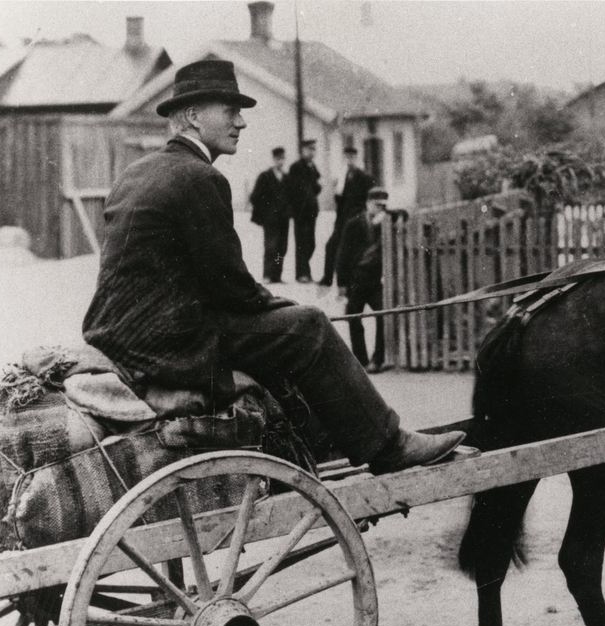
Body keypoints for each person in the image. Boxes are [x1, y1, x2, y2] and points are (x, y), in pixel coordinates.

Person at [82, 59, 464, 473]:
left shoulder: (136, 173)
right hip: (168, 345)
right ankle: (388, 445)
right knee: (309, 327)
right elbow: (230, 285)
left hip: (119, 337)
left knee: (281, 326)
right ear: (192, 117)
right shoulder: (199, 177)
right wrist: (279, 305)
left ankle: (319, 439)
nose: (241, 123)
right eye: (230, 112)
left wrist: (268, 306)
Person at [337, 186, 391, 372]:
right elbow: (343, 254)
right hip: (356, 280)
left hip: (374, 281)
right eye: (377, 205)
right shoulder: (353, 223)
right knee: (354, 318)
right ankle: (362, 361)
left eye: (384, 206)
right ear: (368, 203)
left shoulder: (386, 222)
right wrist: (342, 285)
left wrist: (386, 218)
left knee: (384, 315)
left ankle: (378, 360)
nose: (381, 209)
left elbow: (404, 214)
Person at [320, 144, 375, 289]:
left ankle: (345, 283)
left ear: (357, 158)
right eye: (347, 157)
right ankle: (327, 279)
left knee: (348, 252)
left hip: (355, 220)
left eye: (352, 157)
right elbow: (339, 200)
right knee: (331, 246)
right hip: (342, 220)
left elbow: (368, 199)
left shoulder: (364, 176)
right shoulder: (342, 175)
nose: (350, 160)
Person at [249, 146, 290, 283]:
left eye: (282, 159)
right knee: (271, 247)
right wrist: (266, 210)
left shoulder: (286, 177)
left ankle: (277, 276)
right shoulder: (265, 176)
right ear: (273, 159)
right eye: (278, 159)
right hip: (271, 219)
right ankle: (267, 275)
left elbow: (292, 197)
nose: (280, 162)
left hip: (283, 219)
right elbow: (254, 196)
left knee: (282, 247)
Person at [285, 138, 321, 283]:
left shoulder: (312, 166)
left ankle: (306, 272)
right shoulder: (296, 167)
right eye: (309, 149)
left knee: (311, 243)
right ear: (302, 151)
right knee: (302, 242)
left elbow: (316, 187)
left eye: (313, 149)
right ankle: (301, 274)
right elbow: (293, 189)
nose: (312, 152)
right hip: (300, 210)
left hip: (312, 210)